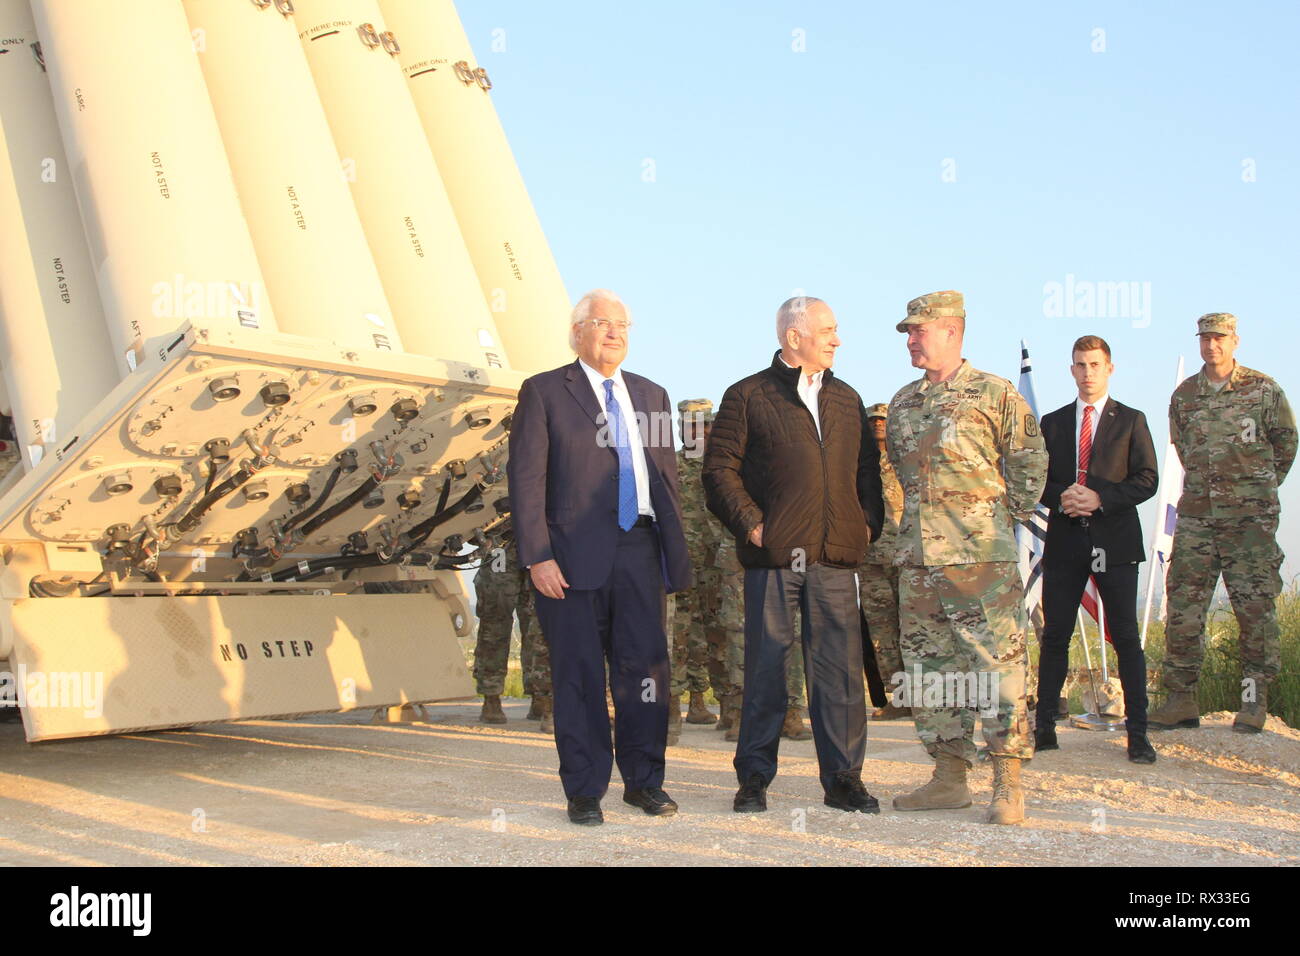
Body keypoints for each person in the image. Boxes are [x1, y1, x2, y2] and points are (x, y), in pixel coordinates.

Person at [507, 289, 691, 826]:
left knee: (645, 672)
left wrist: (672, 550)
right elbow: (526, 480)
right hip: (569, 559)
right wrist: (537, 555)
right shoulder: (544, 392)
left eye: (622, 324)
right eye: (602, 323)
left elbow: (665, 476)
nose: (614, 332)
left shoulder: (652, 395)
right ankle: (585, 789)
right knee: (579, 675)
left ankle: (645, 783)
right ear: (578, 332)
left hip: (640, 549)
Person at [704, 295, 884, 814]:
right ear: (793, 337)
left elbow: (866, 471)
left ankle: (844, 780)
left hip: (835, 557)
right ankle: (754, 779)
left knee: (839, 672)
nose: (837, 338)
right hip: (777, 556)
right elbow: (719, 471)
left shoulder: (847, 399)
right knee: (766, 669)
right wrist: (753, 525)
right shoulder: (747, 395)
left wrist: (866, 523)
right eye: (827, 329)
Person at [887, 290, 1046, 825]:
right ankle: (949, 778)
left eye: (919, 330)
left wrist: (997, 522)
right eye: (908, 332)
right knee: (931, 671)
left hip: (982, 562)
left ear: (952, 330)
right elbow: (901, 477)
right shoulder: (903, 402)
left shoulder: (995, 393)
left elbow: (1030, 463)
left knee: (997, 668)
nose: (911, 340)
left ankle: (1008, 781)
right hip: (919, 563)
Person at [1150, 313, 1296, 734]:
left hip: (1250, 521)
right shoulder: (1185, 396)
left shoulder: (1263, 390)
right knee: (1183, 607)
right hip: (1197, 516)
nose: (1211, 345)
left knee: (1254, 609)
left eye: (1219, 338)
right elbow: (1181, 446)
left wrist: (1256, 489)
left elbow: (1285, 444)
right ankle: (1181, 700)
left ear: (1235, 341)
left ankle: (1253, 702)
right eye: (1205, 338)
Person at [1034, 336, 1158, 763]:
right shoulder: (1052, 423)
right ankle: (1044, 727)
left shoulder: (1132, 421)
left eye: (1095, 364)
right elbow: (1036, 479)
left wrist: (1099, 497)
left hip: (1115, 541)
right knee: (1055, 637)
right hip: (1066, 541)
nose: (1088, 372)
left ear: (1110, 368)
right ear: (1071, 370)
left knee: (1126, 637)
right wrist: (1064, 496)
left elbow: (1147, 479)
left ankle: (1138, 734)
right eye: (1080, 365)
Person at [668, 398, 720, 745]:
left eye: (704, 424)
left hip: (719, 562)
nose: (698, 431)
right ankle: (671, 708)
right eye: (691, 425)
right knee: (678, 633)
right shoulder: (668, 464)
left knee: (716, 633)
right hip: (680, 560)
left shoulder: (725, 464)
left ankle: (710, 703)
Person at [471, 518, 553, 732]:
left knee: (541, 625)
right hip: (500, 542)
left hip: (540, 540)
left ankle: (543, 699)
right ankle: (491, 695)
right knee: (495, 621)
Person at [859, 402, 909, 720]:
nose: (878, 424)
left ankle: (924, 695)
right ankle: (899, 698)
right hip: (869, 557)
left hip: (905, 557)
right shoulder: (855, 463)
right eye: (873, 420)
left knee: (914, 628)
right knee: (882, 632)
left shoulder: (908, 461)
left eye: (883, 420)